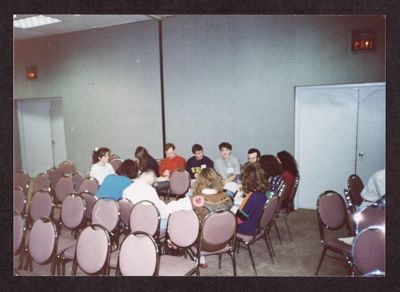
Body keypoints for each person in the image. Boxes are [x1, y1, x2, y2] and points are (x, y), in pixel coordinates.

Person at [122, 169, 192, 232]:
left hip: (133, 223)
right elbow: (162, 211)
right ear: (152, 176)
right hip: (150, 226)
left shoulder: (127, 189)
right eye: (154, 179)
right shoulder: (149, 190)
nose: (154, 182)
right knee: (177, 214)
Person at [190, 168, 233, 268]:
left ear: (200, 181)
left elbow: (170, 209)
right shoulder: (226, 197)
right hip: (224, 241)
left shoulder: (196, 199)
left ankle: (198, 259)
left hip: (204, 244)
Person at [233, 162, 269, 235]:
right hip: (254, 224)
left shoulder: (251, 197)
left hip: (245, 228)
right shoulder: (263, 193)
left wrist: (231, 210)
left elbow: (239, 219)